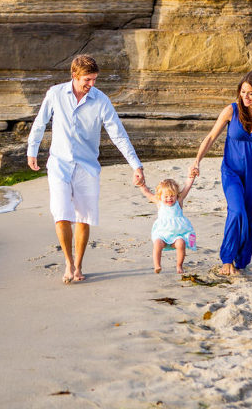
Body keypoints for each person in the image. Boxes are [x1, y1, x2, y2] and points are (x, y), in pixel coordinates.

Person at [27, 55, 145, 284]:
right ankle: (68, 263)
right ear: (74, 75)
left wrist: (136, 165)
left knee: (84, 217)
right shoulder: (55, 94)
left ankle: (78, 266)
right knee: (61, 214)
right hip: (59, 164)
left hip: (87, 167)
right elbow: (40, 123)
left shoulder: (101, 101)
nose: (91, 84)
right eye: (87, 80)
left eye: (94, 80)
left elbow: (118, 134)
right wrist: (32, 150)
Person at [189, 70, 252, 276]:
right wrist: (197, 160)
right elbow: (210, 137)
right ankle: (227, 259)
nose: (245, 96)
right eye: (243, 91)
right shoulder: (231, 111)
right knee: (237, 211)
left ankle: (240, 260)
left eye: (251, 93)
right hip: (231, 171)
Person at [138, 176, 198, 274]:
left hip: (178, 234)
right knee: (157, 243)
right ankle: (157, 265)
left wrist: (192, 176)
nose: (169, 198)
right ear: (160, 196)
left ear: (176, 195)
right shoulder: (159, 202)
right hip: (163, 234)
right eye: (166, 196)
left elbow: (187, 186)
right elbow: (147, 193)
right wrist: (141, 185)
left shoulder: (179, 201)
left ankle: (179, 266)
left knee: (181, 243)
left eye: (172, 195)